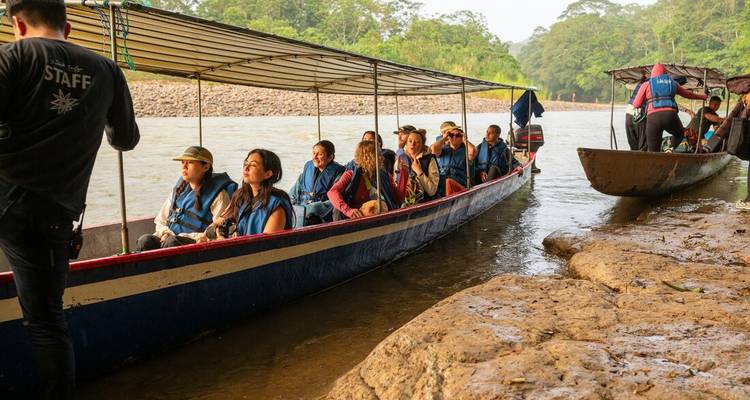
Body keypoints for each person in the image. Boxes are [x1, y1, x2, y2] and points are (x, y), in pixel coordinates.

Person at [0, 0, 140, 397]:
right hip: (56, 211)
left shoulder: (11, 56)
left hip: (7, 196)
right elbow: (125, 140)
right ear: (69, 27)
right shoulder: (107, 69)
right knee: (46, 322)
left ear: (18, 24)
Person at [136, 146, 236, 250]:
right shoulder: (179, 190)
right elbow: (161, 221)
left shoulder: (219, 195)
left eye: (190, 162)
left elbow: (217, 230)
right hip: (169, 238)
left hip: (197, 244)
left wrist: (178, 237)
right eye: (183, 162)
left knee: (172, 242)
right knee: (145, 240)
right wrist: (166, 233)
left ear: (205, 167)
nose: (184, 166)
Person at [209, 149, 293, 238]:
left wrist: (224, 243)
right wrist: (214, 232)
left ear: (268, 174)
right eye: (246, 163)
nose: (246, 168)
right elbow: (217, 222)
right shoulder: (241, 195)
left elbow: (266, 246)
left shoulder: (276, 206)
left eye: (253, 165)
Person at [631, 63, 708, 152]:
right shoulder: (673, 83)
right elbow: (688, 94)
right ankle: (670, 148)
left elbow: (636, 104)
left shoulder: (646, 84)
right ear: (665, 73)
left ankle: (654, 161)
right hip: (670, 116)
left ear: (652, 74)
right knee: (679, 134)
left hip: (653, 118)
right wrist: (703, 96)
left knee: (652, 149)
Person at [328, 141, 406, 219]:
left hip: (381, 216)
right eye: (378, 154)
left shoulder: (384, 174)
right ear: (367, 157)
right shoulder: (351, 174)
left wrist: (404, 174)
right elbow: (332, 192)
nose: (382, 157)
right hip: (357, 217)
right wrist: (348, 210)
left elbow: (398, 199)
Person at [288, 140, 345, 226]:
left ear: (330, 157)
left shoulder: (339, 173)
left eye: (319, 154)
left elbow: (336, 200)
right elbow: (294, 191)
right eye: (314, 153)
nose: (314, 157)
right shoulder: (308, 168)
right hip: (301, 211)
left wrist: (314, 208)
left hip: (322, 216)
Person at [431, 121, 476, 195]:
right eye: (451, 135)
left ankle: (446, 201)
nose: (454, 137)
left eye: (458, 135)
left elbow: (473, 151)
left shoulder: (466, 150)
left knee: (448, 182)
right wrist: (445, 137)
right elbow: (434, 149)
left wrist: (464, 139)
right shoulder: (442, 149)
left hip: (460, 184)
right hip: (441, 183)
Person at [395, 129, 440, 205]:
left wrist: (419, 172)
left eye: (417, 142)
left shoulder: (430, 160)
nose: (413, 144)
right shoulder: (401, 159)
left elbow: (432, 191)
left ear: (422, 145)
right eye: (410, 141)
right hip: (404, 202)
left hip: (425, 202)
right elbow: (395, 182)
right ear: (406, 143)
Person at [625, 76, 648, 151]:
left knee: (633, 144)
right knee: (642, 144)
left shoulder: (640, 83)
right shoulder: (652, 83)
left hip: (628, 112)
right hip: (639, 114)